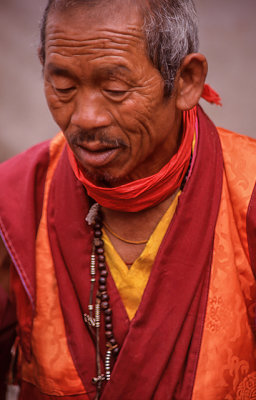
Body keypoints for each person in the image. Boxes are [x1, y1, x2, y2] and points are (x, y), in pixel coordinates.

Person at [0, 0, 255, 399]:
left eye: (115, 89)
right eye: (63, 85)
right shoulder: (14, 199)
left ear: (186, 81)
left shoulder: (249, 192)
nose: (85, 117)